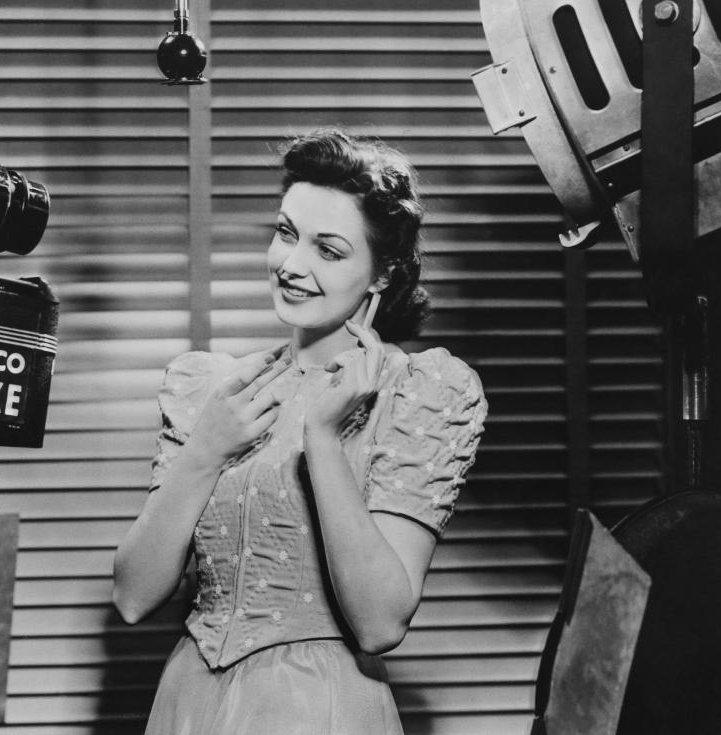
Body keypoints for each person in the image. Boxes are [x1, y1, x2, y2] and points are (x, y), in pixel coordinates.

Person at [113, 128, 488, 735]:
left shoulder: (419, 392)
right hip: (187, 704)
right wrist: (205, 451)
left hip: (320, 710)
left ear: (381, 274)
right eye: (286, 233)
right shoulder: (211, 390)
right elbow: (133, 597)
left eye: (329, 250)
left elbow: (379, 623)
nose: (291, 264)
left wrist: (323, 438)